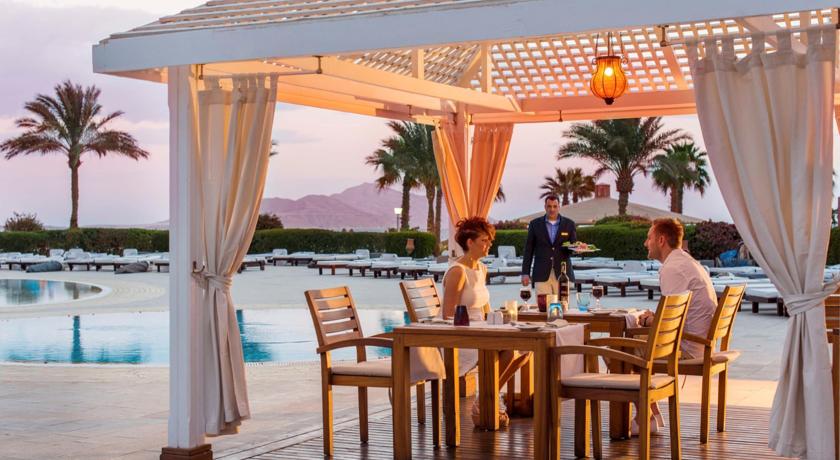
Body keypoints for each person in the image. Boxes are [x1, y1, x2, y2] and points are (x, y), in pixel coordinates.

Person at [633, 218, 717, 434]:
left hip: (686, 349)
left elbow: (668, 324)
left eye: (649, 238)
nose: (645, 243)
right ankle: (649, 414)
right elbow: (674, 313)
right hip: (700, 344)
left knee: (621, 349)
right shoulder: (687, 262)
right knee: (631, 343)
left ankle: (644, 418)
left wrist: (650, 320)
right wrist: (656, 317)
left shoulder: (672, 269)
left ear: (661, 240)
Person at [441, 217, 518, 427]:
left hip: (481, 331)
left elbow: (485, 309)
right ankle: (487, 400)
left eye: (489, 240)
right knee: (508, 351)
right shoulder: (458, 271)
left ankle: (484, 398)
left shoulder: (481, 269)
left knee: (520, 350)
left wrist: (501, 319)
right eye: (484, 240)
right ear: (470, 242)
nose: (489, 244)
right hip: (460, 336)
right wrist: (480, 329)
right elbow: (448, 316)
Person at [521, 194, 577, 294]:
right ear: (545, 207)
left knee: (562, 303)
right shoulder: (534, 224)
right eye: (549, 206)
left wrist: (577, 250)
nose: (552, 209)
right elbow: (528, 250)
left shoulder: (569, 224)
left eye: (555, 206)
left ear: (559, 207)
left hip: (563, 274)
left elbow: (572, 246)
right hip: (541, 274)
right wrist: (525, 273)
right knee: (543, 304)